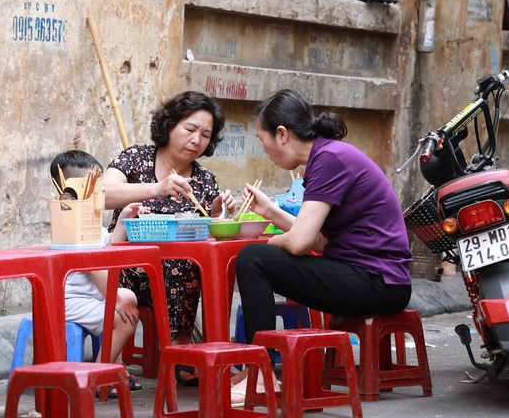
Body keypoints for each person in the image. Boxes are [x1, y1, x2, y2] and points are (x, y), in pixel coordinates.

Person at [231, 89, 413, 401]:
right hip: (373, 277)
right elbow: (316, 238)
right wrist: (271, 213)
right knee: (259, 256)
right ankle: (259, 369)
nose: (265, 151)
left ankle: (259, 373)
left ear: (282, 134)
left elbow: (301, 243)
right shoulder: (327, 156)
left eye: (263, 141)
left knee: (253, 258)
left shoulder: (329, 160)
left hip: (378, 281)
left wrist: (271, 241)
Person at [102, 91, 236, 385]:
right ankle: (173, 350)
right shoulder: (136, 158)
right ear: (170, 125)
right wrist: (157, 188)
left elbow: (210, 232)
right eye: (190, 129)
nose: (196, 140)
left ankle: (182, 344)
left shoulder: (204, 180)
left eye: (205, 135)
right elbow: (101, 196)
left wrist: (217, 214)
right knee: (174, 265)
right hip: (126, 268)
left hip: (175, 278)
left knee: (184, 263)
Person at [51, 150, 143, 397]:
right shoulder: (72, 225)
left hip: (87, 298)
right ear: (72, 192)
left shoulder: (90, 222)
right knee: (125, 319)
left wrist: (124, 218)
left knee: (129, 298)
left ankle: (109, 369)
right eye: (95, 185)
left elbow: (108, 252)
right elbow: (94, 270)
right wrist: (116, 301)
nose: (103, 190)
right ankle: (99, 377)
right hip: (69, 303)